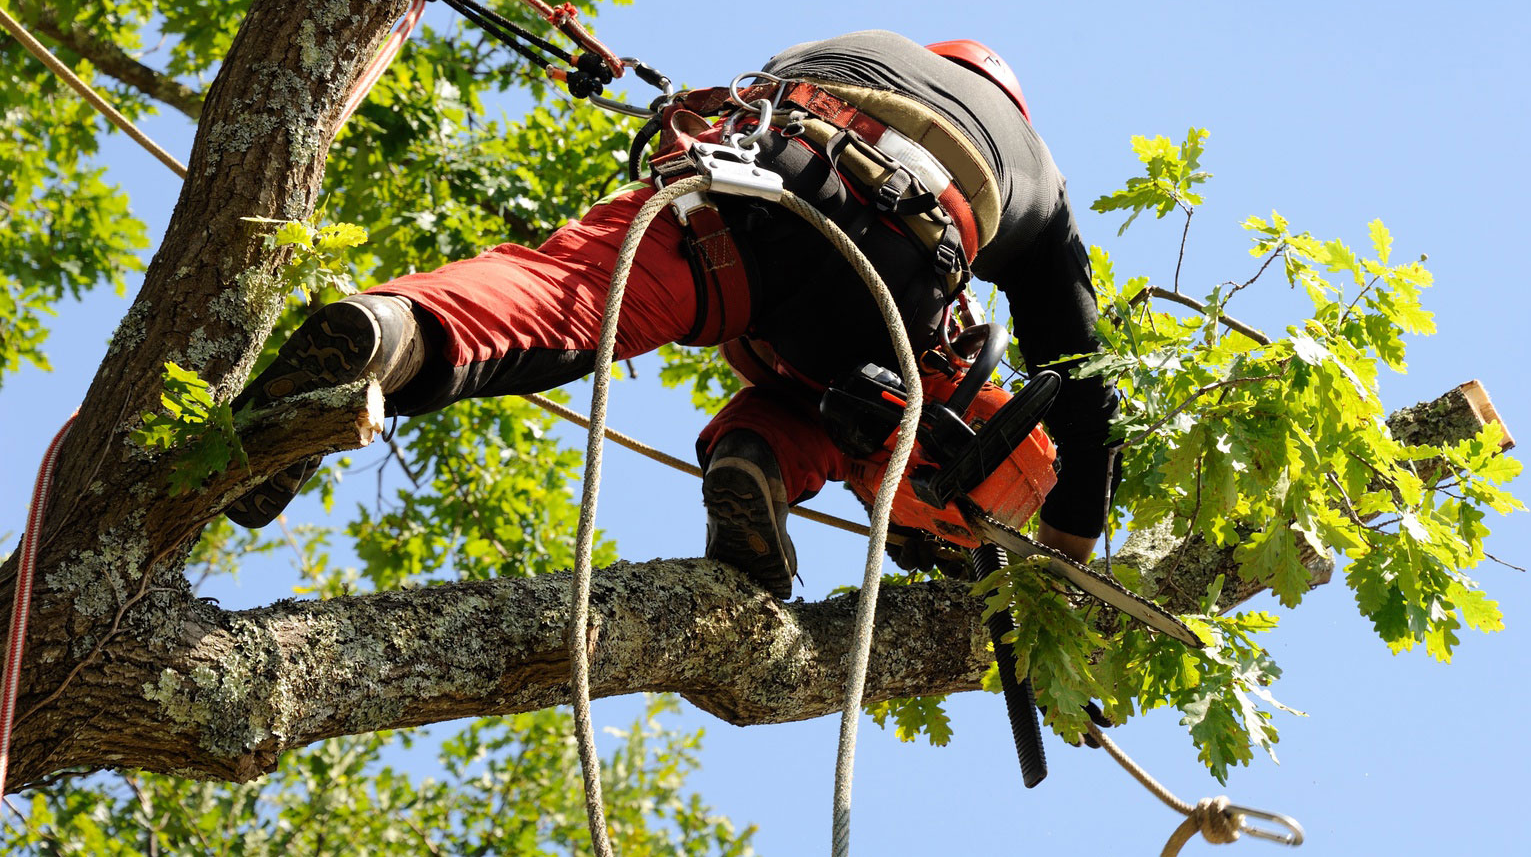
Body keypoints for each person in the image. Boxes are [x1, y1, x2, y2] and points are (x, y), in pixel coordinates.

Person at [226, 30, 1118, 599]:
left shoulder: (859, 46)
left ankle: (389, 334)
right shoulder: (1035, 168)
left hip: (760, 183)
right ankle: (760, 459)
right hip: (902, 271)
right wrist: (1070, 546)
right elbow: (1084, 380)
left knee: (568, 293)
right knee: (890, 404)